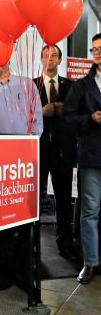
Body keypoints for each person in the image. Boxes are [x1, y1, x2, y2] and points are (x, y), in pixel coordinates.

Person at [33, 45, 78, 260]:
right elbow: (26, 117)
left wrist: (64, 111)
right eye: (46, 55)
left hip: (63, 153)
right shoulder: (32, 85)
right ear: (41, 59)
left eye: (54, 56)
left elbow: (77, 117)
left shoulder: (70, 86)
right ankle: (31, 246)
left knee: (63, 202)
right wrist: (43, 112)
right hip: (39, 153)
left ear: (59, 60)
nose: (50, 59)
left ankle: (65, 245)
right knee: (34, 201)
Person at [63, 33, 101, 284]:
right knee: (89, 211)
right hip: (92, 157)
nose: (97, 52)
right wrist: (90, 119)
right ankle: (90, 263)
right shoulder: (81, 85)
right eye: (94, 49)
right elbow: (68, 118)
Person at [0, 63, 43, 136]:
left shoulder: (27, 84)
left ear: (7, 60)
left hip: (26, 144)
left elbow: (37, 117)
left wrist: (31, 140)